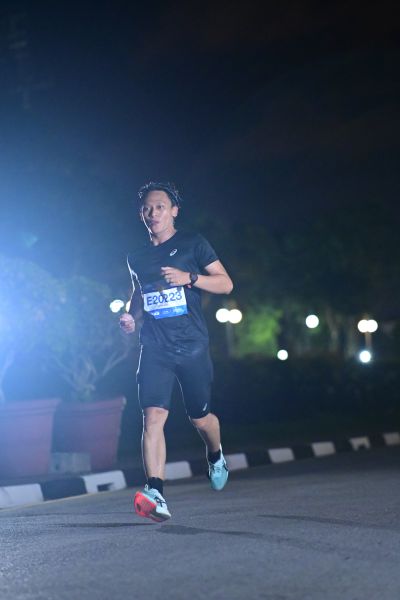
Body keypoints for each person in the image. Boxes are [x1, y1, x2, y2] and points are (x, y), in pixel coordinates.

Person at [120, 181, 233, 522]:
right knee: (152, 416)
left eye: (159, 207)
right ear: (140, 214)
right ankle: (155, 490)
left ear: (174, 211)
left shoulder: (193, 243)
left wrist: (190, 278)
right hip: (154, 346)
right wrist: (131, 316)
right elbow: (139, 294)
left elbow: (225, 283)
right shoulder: (136, 256)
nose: (153, 213)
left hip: (191, 346)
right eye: (147, 208)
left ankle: (215, 454)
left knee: (200, 418)